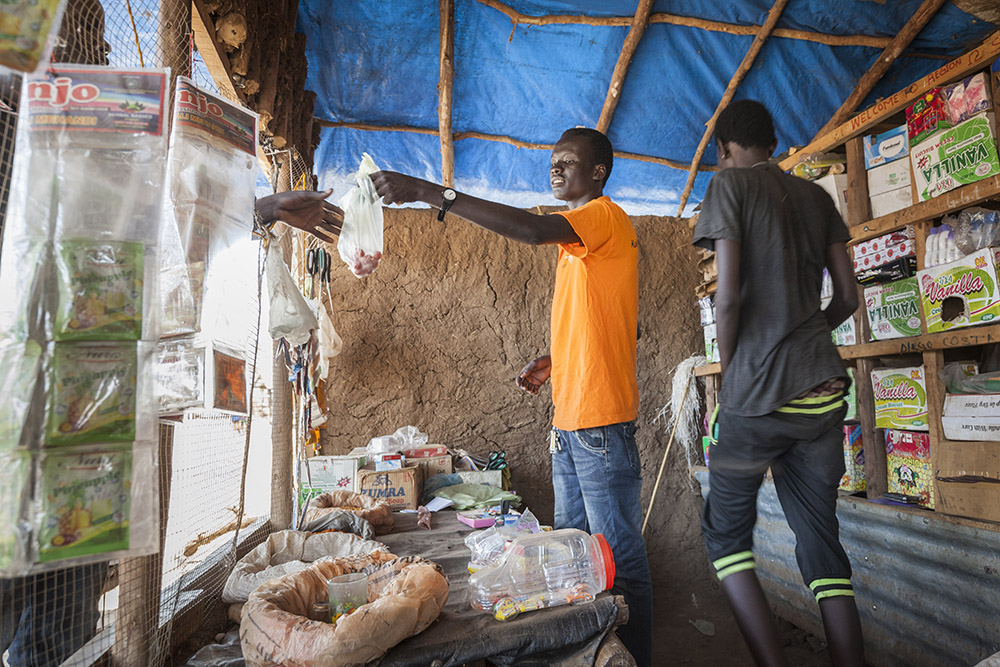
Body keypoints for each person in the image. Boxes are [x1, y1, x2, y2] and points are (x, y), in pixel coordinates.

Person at [371, 128, 653, 666]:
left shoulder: (601, 216)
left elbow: (529, 229)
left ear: (598, 172)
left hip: (598, 425)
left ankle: (636, 656)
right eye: (553, 161)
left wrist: (437, 194)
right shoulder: (581, 248)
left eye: (569, 161)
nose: (556, 168)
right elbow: (619, 325)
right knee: (574, 558)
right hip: (571, 424)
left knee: (618, 555)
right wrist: (557, 359)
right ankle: (592, 655)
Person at [692, 100, 864, 667]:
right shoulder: (816, 198)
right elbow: (847, 298)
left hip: (759, 396)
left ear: (722, 149)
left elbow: (731, 295)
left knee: (724, 538)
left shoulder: (729, 187)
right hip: (822, 389)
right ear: (773, 141)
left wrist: (742, 368)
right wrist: (805, 335)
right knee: (819, 540)